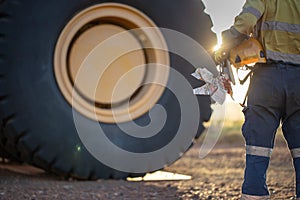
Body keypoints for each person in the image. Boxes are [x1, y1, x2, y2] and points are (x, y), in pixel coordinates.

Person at [214, 0, 300, 199]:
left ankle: (254, 195)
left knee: (258, 146)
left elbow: (245, 24)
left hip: (268, 79)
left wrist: (224, 45)